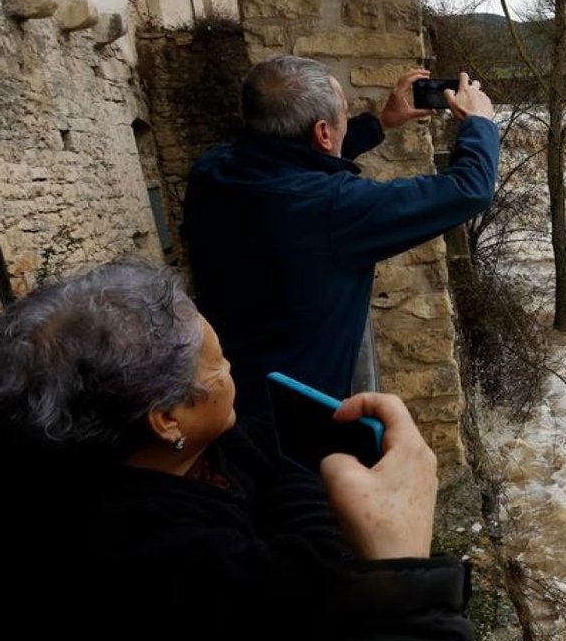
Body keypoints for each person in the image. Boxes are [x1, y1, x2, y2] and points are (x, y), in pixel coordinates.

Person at [0, 262, 470, 641]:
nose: (231, 374)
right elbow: (343, 625)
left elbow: (262, 460)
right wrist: (401, 558)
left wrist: (294, 476)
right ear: (167, 418)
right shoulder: (164, 568)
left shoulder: (159, 449)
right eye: (217, 367)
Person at [182, 56, 498, 451]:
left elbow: (292, 156)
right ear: (322, 132)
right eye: (343, 116)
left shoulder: (210, 171)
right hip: (295, 427)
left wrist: (380, 123)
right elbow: (470, 189)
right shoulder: (332, 209)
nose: (345, 122)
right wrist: (479, 123)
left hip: (222, 402)